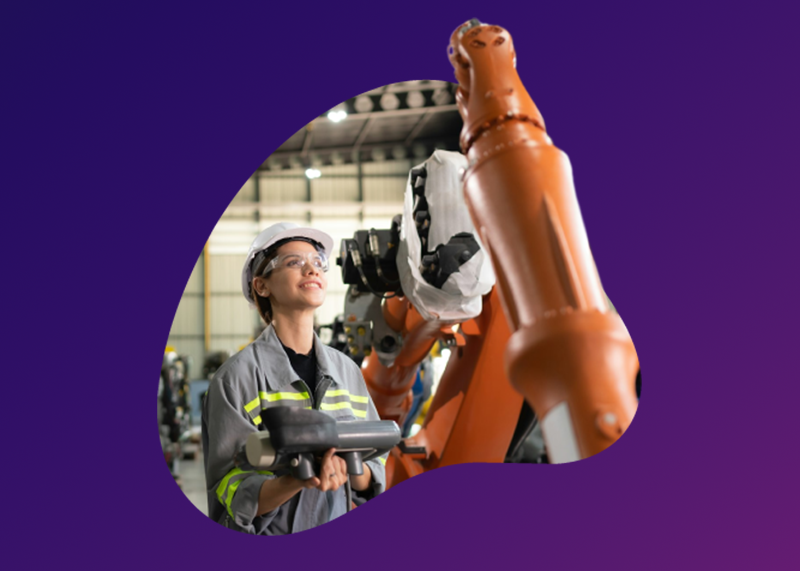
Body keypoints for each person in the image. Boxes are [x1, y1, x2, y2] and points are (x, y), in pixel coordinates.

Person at [202, 222, 386, 534]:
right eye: (294, 262)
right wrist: (298, 477)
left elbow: (375, 469)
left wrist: (349, 468)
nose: (312, 270)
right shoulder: (236, 379)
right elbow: (229, 486)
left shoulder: (347, 371)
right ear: (262, 286)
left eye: (317, 262)